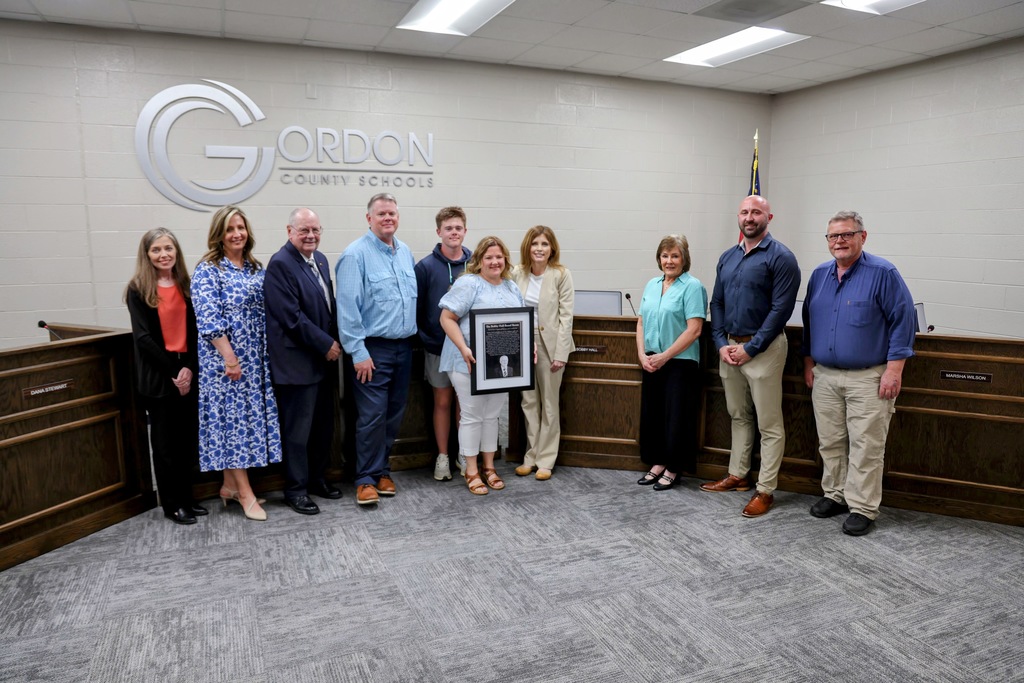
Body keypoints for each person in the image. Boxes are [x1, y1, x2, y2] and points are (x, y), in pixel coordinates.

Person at [802, 210, 915, 536]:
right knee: (831, 442)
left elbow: (903, 322)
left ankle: (863, 507)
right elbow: (810, 322)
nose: (839, 241)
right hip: (825, 376)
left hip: (869, 377)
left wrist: (894, 370)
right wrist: (809, 362)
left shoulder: (883, 273)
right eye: (833, 236)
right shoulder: (820, 274)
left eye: (846, 235)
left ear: (862, 237)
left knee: (866, 446)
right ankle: (835, 495)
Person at [701, 195, 800, 518]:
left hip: (764, 351)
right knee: (738, 415)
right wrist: (720, 343)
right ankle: (738, 475)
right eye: (744, 212)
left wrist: (751, 348)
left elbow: (780, 311)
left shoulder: (781, 258)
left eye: (756, 212)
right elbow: (716, 303)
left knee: (769, 424)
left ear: (769, 217)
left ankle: (766, 490)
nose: (749, 217)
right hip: (729, 349)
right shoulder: (727, 257)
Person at [192, 205, 281, 521]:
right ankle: (245, 494)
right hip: (226, 365)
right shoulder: (208, 270)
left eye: (241, 227)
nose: (237, 234)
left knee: (245, 424)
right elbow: (208, 319)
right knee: (233, 427)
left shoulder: (255, 268)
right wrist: (230, 359)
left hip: (255, 362)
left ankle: (229, 485)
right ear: (219, 234)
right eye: (230, 229)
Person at [336, 193, 417, 506]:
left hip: (403, 348)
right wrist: (358, 352)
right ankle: (365, 479)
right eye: (382, 214)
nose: (388, 218)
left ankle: (382, 469)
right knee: (371, 416)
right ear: (368, 218)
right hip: (372, 350)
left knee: (393, 415)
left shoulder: (405, 252)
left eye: (392, 214)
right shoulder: (355, 255)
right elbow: (347, 310)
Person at [125, 228, 206, 525]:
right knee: (165, 445)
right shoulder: (137, 289)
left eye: (168, 248)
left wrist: (189, 369)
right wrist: (175, 371)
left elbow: (196, 332)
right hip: (160, 376)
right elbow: (144, 339)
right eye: (157, 250)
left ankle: (188, 498)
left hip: (187, 369)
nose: (164, 255)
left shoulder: (186, 284)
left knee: (186, 443)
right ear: (147, 255)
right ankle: (172, 505)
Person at [264, 207, 342, 515]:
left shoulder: (319, 260)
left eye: (315, 230)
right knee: (298, 432)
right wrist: (326, 344)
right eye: (304, 231)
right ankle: (295, 490)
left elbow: (328, 306)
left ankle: (316, 479)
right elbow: (291, 318)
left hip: (323, 360)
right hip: (297, 363)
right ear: (289, 231)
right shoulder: (280, 264)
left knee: (323, 426)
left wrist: (334, 342)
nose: (311, 236)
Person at [439, 236, 526, 496]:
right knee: (472, 415)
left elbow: (519, 323)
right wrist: (464, 348)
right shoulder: (469, 283)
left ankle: (489, 467)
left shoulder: (511, 287)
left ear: (505, 260)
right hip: (466, 361)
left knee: (492, 416)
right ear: (479, 260)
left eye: (499, 257)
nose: (494, 261)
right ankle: (472, 470)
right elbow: (446, 318)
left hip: (499, 367)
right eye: (489, 257)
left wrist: (527, 346)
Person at [634, 235, 707, 491]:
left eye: (675, 256)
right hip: (652, 361)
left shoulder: (693, 286)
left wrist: (665, 356)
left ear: (684, 259)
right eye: (665, 256)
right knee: (653, 414)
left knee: (677, 417)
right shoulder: (652, 285)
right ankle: (657, 462)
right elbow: (641, 322)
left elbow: (694, 330)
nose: (669, 261)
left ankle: (674, 467)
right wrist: (643, 355)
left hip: (679, 363)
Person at [512, 225, 576, 481]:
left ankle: (546, 459)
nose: (539, 248)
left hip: (551, 346)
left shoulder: (561, 274)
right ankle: (531, 455)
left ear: (552, 249)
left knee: (549, 404)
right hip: (523, 345)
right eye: (535, 243)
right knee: (528, 402)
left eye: (544, 244)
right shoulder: (517, 272)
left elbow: (566, 317)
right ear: (528, 247)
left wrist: (561, 352)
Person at [414, 206, 471, 482]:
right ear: (439, 232)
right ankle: (443, 456)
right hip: (437, 347)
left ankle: (464, 453)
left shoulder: (475, 263)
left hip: (467, 350)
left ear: (465, 231)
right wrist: (428, 338)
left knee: (465, 402)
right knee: (443, 401)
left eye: (458, 228)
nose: (454, 232)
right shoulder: (425, 267)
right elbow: (418, 308)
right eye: (448, 228)